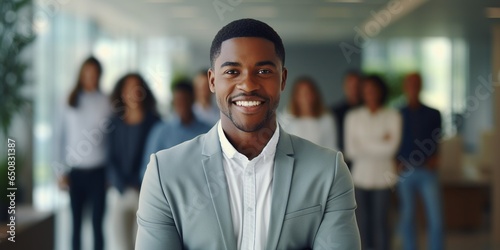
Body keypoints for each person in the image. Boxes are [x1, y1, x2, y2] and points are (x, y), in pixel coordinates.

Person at [136, 18, 360, 250]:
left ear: (282, 79)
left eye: (263, 71)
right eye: (232, 71)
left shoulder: (328, 170)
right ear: (213, 81)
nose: (248, 84)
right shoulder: (165, 172)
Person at [53, 56, 110, 250]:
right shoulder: (69, 100)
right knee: (75, 226)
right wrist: (59, 172)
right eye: (88, 73)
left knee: (97, 226)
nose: (91, 77)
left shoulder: (106, 101)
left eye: (95, 73)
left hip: (99, 172)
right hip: (75, 172)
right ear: (81, 74)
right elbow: (59, 137)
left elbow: (110, 139)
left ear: (100, 76)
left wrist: (110, 173)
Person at [345, 75, 401, 250]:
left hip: (384, 179)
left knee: (382, 224)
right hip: (360, 179)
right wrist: (380, 140)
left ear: (381, 91)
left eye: (374, 89)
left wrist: (364, 143)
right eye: (366, 90)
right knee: (362, 225)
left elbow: (391, 149)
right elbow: (351, 151)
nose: (370, 93)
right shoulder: (353, 116)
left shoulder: (392, 115)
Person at [107, 73, 160, 250]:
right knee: (121, 244)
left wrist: (141, 186)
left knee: (143, 244)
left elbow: (158, 157)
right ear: (122, 93)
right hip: (121, 192)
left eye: (137, 87)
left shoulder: (155, 122)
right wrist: (122, 185)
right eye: (128, 87)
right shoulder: (114, 123)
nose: (133, 92)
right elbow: (110, 157)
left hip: (146, 193)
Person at [397, 73, 443, 250]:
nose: (413, 87)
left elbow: (437, 139)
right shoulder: (398, 113)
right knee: (407, 217)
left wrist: (436, 158)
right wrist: (396, 162)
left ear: (421, 85)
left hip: (427, 171)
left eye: (416, 83)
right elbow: (395, 141)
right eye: (410, 83)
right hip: (405, 171)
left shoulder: (434, 113)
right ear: (405, 86)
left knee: (435, 218)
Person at [139, 80, 211, 180]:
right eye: (178, 101)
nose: (182, 105)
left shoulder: (207, 131)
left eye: (185, 100)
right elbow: (148, 167)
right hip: (168, 189)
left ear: (193, 100)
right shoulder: (160, 131)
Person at [281, 76, 338, 150]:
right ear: (296, 97)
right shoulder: (286, 119)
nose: (306, 98)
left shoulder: (326, 119)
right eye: (302, 94)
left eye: (308, 93)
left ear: (315, 95)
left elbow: (331, 147)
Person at [331, 70, 362, 169]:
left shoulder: (369, 110)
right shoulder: (334, 112)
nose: (354, 90)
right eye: (350, 86)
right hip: (343, 162)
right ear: (344, 87)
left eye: (357, 86)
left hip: (364, 161)